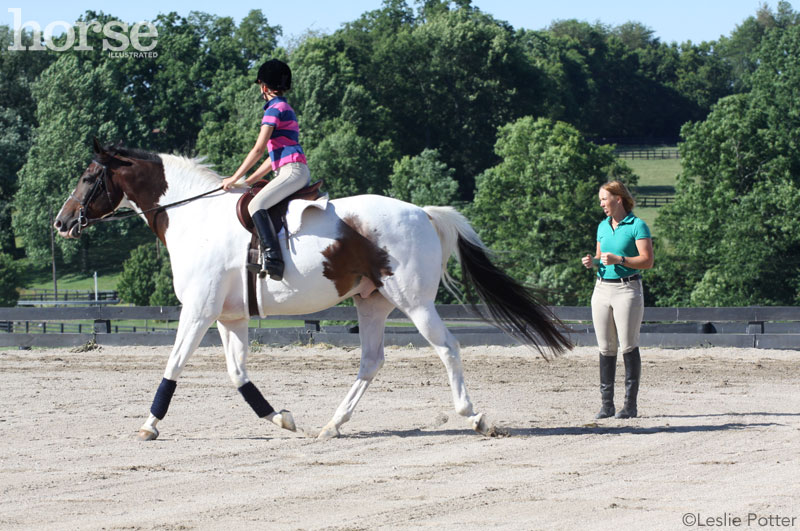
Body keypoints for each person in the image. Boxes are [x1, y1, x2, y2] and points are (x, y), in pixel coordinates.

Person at [222, 59, 310, 281]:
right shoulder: (285, 108)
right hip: (289, 168)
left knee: (256, 205)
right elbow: (271, 161)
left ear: (263, 86)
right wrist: (248, 181)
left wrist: (234, 178)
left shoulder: (274, 109)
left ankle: (273, 260)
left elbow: (259, 149)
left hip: (291, 170)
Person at [581, 181, 653, 419]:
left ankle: (630, 405)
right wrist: (593, 261)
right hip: (601, 289)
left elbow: (647, 261)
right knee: (605, 347)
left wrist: (620, 260)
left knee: (628, 345)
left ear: (618, 199)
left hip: (627, 289)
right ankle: (607, 404)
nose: (601, 204)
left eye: (604, 199)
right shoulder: (602, 226)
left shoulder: (637, 226)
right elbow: (603, 256)